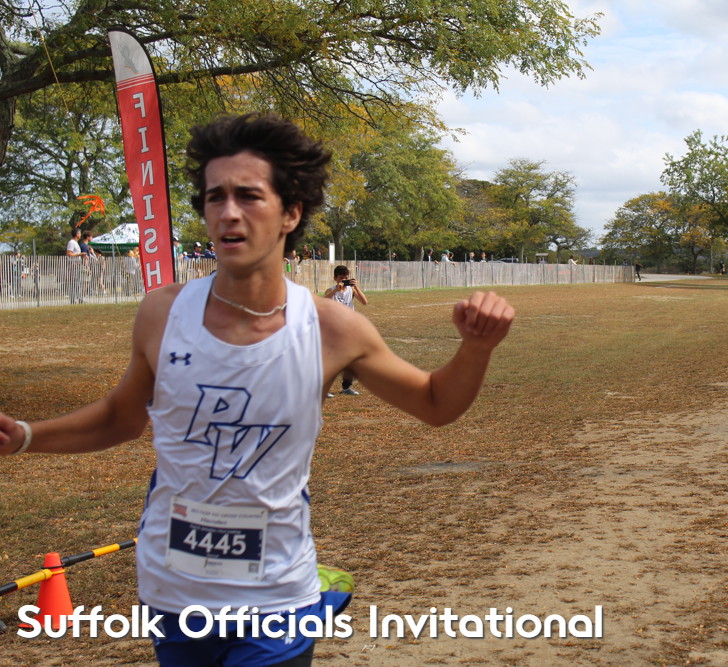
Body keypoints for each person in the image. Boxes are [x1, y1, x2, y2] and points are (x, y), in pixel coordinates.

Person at [0, 113, 514, 667]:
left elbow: (436, 404)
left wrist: (476, 347)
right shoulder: (163, 313)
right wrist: (24, 434)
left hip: (276, 594)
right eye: (214, 197)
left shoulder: (331, 328)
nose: (228, 212)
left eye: (248, 196)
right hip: (173, 590)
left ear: (291, 212)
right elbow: (120, 418)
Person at [323, 265, 369, 396]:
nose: (344, 280)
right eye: (341, 278)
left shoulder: (351, 290)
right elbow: (324, 302)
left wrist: (356, 287)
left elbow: (364, 302)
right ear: (335, 278)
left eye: (346, 278)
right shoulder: (331, 290)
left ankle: (346, 387)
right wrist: (335, 290)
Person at [65, 227, 86, 304]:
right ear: (77, 234)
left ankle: (80, 298)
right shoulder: (72, 242)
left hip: (77, 264)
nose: (80, 235)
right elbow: (69, 253)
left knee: (78, 282)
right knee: (74, 282)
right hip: (73, 264)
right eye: (79, 233)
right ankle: (73, 299)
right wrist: (80, 254)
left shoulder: (76, 243)